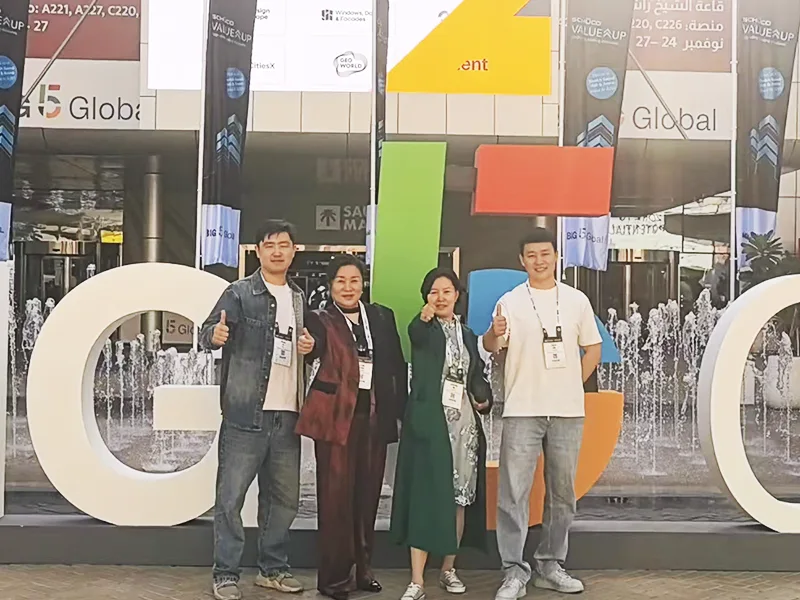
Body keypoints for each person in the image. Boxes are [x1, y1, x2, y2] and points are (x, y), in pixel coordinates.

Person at [199, 219, 320, 600]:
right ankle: (225, 574)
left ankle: (273, 569)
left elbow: (303, 346)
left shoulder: (298, 297)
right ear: (258, 251)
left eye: (284, 244)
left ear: (294, 251)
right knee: (230, 499)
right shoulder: (238, 293)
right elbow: (206, 331)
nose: (277, 251)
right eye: (270, 245)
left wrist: (309, 348)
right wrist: (215, 335)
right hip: (245, 414)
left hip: (289, 415)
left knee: (283, 500)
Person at [483, 227, 602, 598]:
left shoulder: (576, 300)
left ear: (556, 257)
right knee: (513, 493)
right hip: (523, 408)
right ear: (522, 260)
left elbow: (593, 349)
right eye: (531, 255)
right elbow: (492, 346)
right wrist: (493, 332)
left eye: (545, 253)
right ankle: (513, 571)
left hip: (567, 411)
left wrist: (571, 383)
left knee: (562, 493)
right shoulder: (510, 301)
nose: (539, 261)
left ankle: (550, 565)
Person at [297, 254, 408, 600]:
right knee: (335, 500)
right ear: (330, 285)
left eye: (354, 280)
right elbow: (312, 349)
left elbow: (396, 366)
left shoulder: (381, 316)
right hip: (336, 421)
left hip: (373, 418)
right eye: (341, 281)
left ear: (363, 284)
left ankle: (363, 570)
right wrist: (308, 348)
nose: (348, 287)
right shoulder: (319, 318)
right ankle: (334, 579)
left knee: (367, 497)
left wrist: (400, 412)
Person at [391, 268, 493, 600]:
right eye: (433, 292)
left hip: (464, 427)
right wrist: (423, 318)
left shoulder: (468, 334)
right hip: (431, 425)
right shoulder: (423, 328)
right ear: (426, 297)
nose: (440, 297)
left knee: (459, 500)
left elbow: (475, 376)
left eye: (447, 291)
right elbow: (417, 334)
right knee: (425, 498)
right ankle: (417, 581)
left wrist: (484, 398)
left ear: (457, 295)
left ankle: (449, 569)